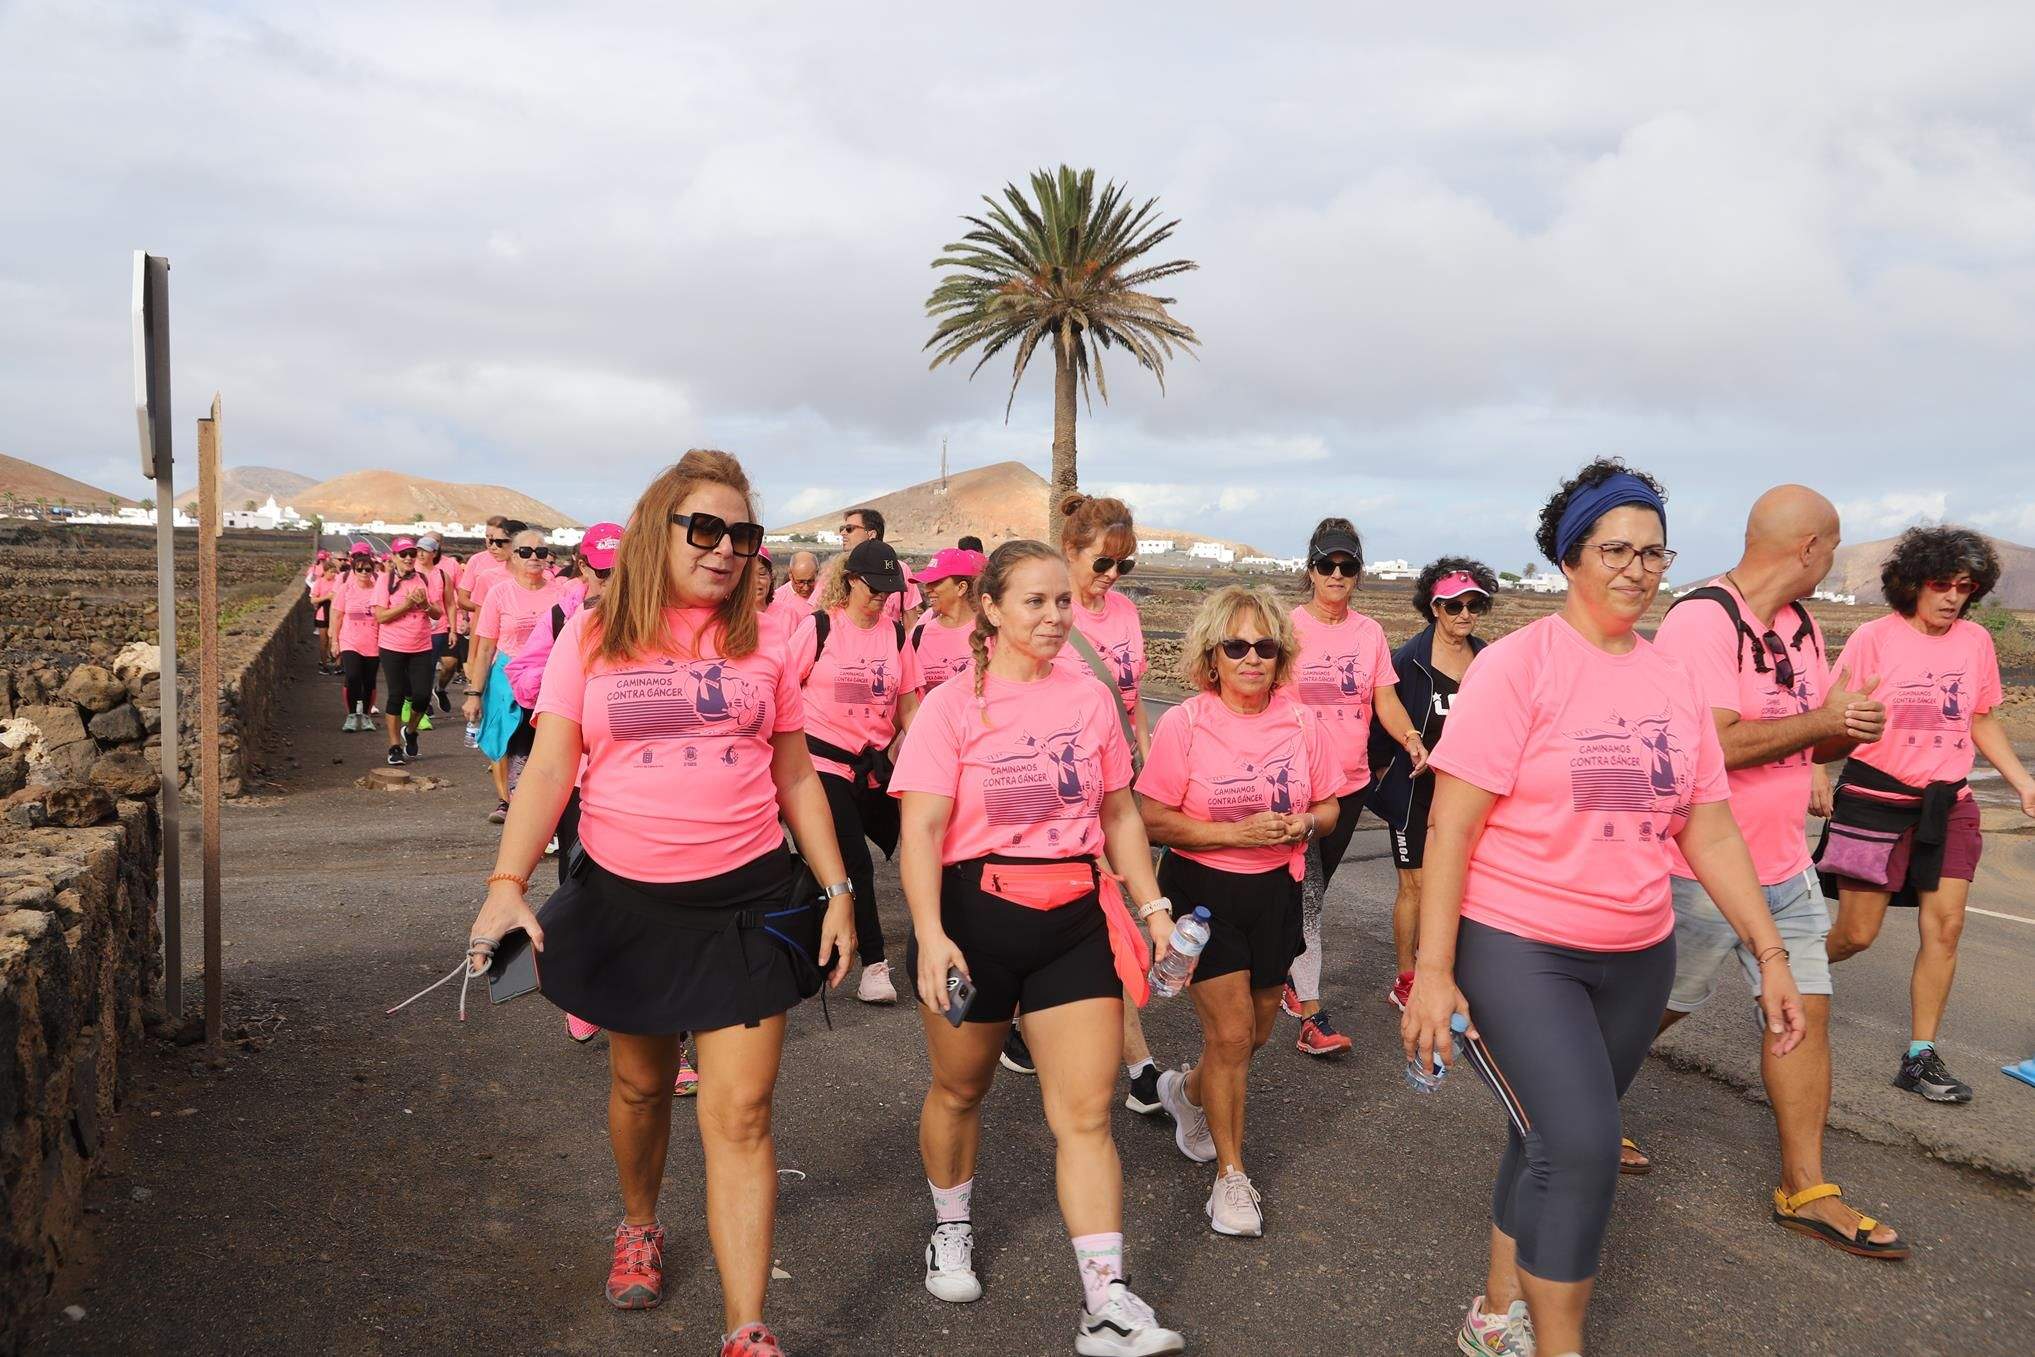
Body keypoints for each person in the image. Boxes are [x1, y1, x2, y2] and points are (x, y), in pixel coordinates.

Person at [1405, 459, 1806, 1357]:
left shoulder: (1672, 680)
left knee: (1546, 1132)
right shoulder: (1517, 667)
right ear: (1570, 556)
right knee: (1582, 1144)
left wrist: (1768, 954)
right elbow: (1450, 828)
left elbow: (1708, 832)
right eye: (1614, 548)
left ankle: (1493, 1311)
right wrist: (1433, 971)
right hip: (1518, 947)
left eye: (1653, 552)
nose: (1634, 567)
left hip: (1636, 951)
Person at [464, 451, 855, 1357]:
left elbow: (796, 773)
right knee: (641, 1083)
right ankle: (640, 1220)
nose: (725, 550)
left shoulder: (764, 642)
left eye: (742, 535)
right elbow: (551, 766)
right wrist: (504, 886)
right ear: (659, 532)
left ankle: (746, 1327)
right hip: (626, 900)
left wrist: (838, 891)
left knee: (742, 1113)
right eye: (705, 529)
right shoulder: (593, 637)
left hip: (750, 901)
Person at [890, 539, 1186, 1355]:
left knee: (1087, 1113)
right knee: (958, 1091)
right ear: (990, 608)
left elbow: (1120, 813)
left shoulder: (1089, 699)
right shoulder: (952, 706)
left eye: (1063, 601)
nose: (1057, 617)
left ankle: (1106, 1302)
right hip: (973, 916)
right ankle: (950, 1226)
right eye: (1036, 602)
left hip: (1072, 913)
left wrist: (1152, 905)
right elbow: (919, 828)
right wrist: (929, 934)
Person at [1605, 485, 1906, 1257]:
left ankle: (1804, 1186)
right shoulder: (1701, 620)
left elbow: (1799, 739)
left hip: (1782, 864)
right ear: (1808, 548)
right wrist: (1825, 721)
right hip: (1698, 865)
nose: (1832, 560)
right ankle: (1572, 1111)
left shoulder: (1801, 625)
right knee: (1654, 1007)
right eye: (1832, 547)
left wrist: (1847, 730)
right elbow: (1710, 747)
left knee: (1804, 1012)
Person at [1135, 585, 1341, 1237]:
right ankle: (1230, 1178)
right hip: (1203, 897)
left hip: (1276, 893)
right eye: (1235, 645)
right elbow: (1151, 817)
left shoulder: (1303, 722)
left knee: (1249, 1038)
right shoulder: (1186, 723)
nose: (1251, 657)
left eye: (1264, 645)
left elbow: (1332, 805)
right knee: (1228, 1037)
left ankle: (1184, 1091)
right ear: (1212, 655)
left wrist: (1305, 821)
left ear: (1279, 655)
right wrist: (1234, 834)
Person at [1822, 526, 2035, 1103]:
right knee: (1857, 934)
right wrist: (1815, 771)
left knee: (1946, 926)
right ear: (1912, 583)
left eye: (1964, 587)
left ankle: (1919, 1056)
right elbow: (1828, 712)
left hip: (1949, 802)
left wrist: (2023, 782)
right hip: (1875, 799)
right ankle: (1785, 974)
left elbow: (1982, 718)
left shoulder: (1974, 644)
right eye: (1941, 584)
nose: (1952, 597)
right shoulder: (1874, 637)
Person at [1040, 493, 1164, 1113]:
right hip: (1065, 791)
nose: (1112, 576)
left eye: (1124, 566)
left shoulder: (1124, 615)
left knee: (1102, 915)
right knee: (1101, 917)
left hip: (1119, 784)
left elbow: (1133, 697)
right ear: (1070, 551)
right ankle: (1138, 1063)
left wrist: (1147, 767)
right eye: (1102, 563)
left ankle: (1127, 1056)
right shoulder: (1047, 612)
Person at [1284, 517, 1426, 1056]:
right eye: (1328, 565)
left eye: (1348, 566)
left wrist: (1411, 739)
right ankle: (1312, 1012)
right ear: (1311, 570)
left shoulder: (1368, 633)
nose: (1337, 574)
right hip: (1299, 786)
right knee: (1308, 896)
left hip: (1350, 786)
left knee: (1306, 895)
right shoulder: (1288, 626)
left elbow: (1383, 700)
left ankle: (1280, 978)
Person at [789, 538, 923, 1004]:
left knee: (916, 845)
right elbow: (783, 688)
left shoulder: (897, 635)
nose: (881, 597)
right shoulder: (820, 627)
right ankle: (874, 966)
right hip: (820, 762)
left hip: (874, 767)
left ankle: (812, 933)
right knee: (856, 865)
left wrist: (928, 756)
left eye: (889, 589)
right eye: (873, 587)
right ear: (849, 581)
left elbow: (909, 703)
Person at [1366, 559, 1495, 1012]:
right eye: (1453, 606)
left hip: (1466, 794)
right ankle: (1406, 977)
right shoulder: (1407, 660)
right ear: (1433, 607)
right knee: (1416, 887)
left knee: (1462, 884)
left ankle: (1445, 969)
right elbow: (1379, 729)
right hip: (1416, 794)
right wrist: (1388, 780)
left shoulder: (1488, 661)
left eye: (1473, 605)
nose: (1464, 615)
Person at [464, 528, 570, 823]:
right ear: (513, 556)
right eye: (526, 552)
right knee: (509, 739)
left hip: (550, 678)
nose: (534, 557)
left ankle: (541, 804)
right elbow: (485, 648)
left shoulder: (561, 593)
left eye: (541, 552)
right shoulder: (500, 593)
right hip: (506, 679)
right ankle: (510, 802)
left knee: (546, 742)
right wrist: (474, 694)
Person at [373, 538, 444, 767]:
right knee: (396, 694)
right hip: (392, 646)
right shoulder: (385, 581)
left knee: (422, 696)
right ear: (394, 557)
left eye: (411, 554)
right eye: (403, 554)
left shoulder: (423, 579)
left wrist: (423, 604)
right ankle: (394, 747)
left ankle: (411, 731)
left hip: (421, 646)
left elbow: (436, 613)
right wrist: (406, 605)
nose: (408, 558)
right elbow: (381, 616)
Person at [909, 547, 986, 692]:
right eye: (927, 583)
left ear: (961, 587)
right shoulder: (919, 635)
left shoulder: (990, 633)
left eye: (935, 582)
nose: (926, 589)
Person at [328, 544, 383, 732]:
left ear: (373, 570)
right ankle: (352, 715)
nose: (364, 572)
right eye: (359, 569)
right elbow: (337, 615)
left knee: (369, 681)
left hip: (373, 640)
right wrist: (334, 640)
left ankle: (366, 716)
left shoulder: (379, 589)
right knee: (352, 677)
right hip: (350, 639)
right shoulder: (346, 589)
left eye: (367, 569)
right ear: (354, 570)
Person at [837, 507, 921, 627]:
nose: (843, 533)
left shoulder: (900, 570)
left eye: (849, 529)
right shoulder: (835, 572)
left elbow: (910, 624)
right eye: (842, 529)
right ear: (852, 579)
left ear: (871, 534)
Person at [415, 535, 463, 713]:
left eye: (425, 551)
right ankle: (423, 702)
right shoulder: (410, 572)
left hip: (441, 627)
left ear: (434, 553)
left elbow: (450, 603)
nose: (420, 554)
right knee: (426, 668)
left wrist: (453, 628)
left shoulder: (443, 575)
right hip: (419, 629)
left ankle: (440, 689)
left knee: (450, 664)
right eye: (418, 550)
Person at [310, 554, 339, 675]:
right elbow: (313, 600)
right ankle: (324, 664)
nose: (333, 574)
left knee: (334, 638)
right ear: (325, 571)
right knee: (324, 640)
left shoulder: (337, 581)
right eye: (331, 572)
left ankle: (335, 662)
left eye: (334, 572)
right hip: (322, 613)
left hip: (335, 613)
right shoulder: (319, 582)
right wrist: (327, 597)